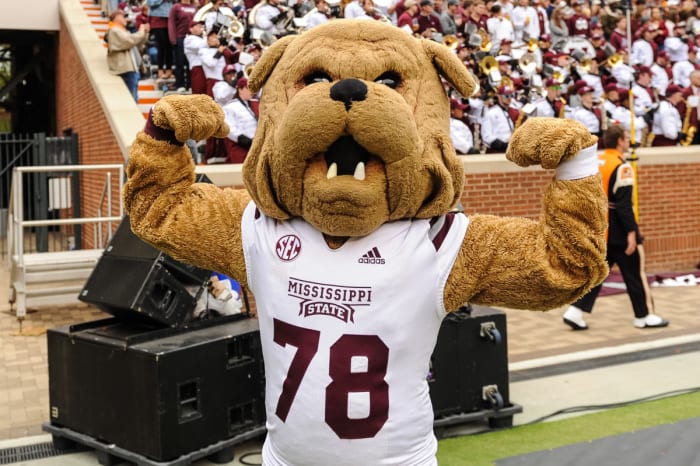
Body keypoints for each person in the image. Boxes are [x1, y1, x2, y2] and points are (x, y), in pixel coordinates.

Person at [563, 124, 669, 330]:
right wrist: (632, 233)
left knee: (598, 274)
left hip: (600, 228)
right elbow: (623, 205)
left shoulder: (596, 162)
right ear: (620, 141)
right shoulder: (623, 167)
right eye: (626, 137)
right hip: (619, 230)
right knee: (635, 274)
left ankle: (575, 311)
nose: (629, 140)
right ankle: (644, 316)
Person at [105, 9, 150, 102]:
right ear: (116, 18)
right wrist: (141, 31)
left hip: (133, 69)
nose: (126, 19)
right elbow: (129, 41)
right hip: (126, 70)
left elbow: (138, 43)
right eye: (123, 16)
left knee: (134, 99)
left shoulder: (123, 31)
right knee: (131, 99)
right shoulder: (114, 30)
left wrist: (145, 32)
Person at [222, 76, 258, 163]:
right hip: (242, 147)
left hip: (257, 146)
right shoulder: (229, 107)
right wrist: (247, 141)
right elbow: (230, 129)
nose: (252, 91)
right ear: (240, 89)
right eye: (248, 88)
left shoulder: (255, 104)